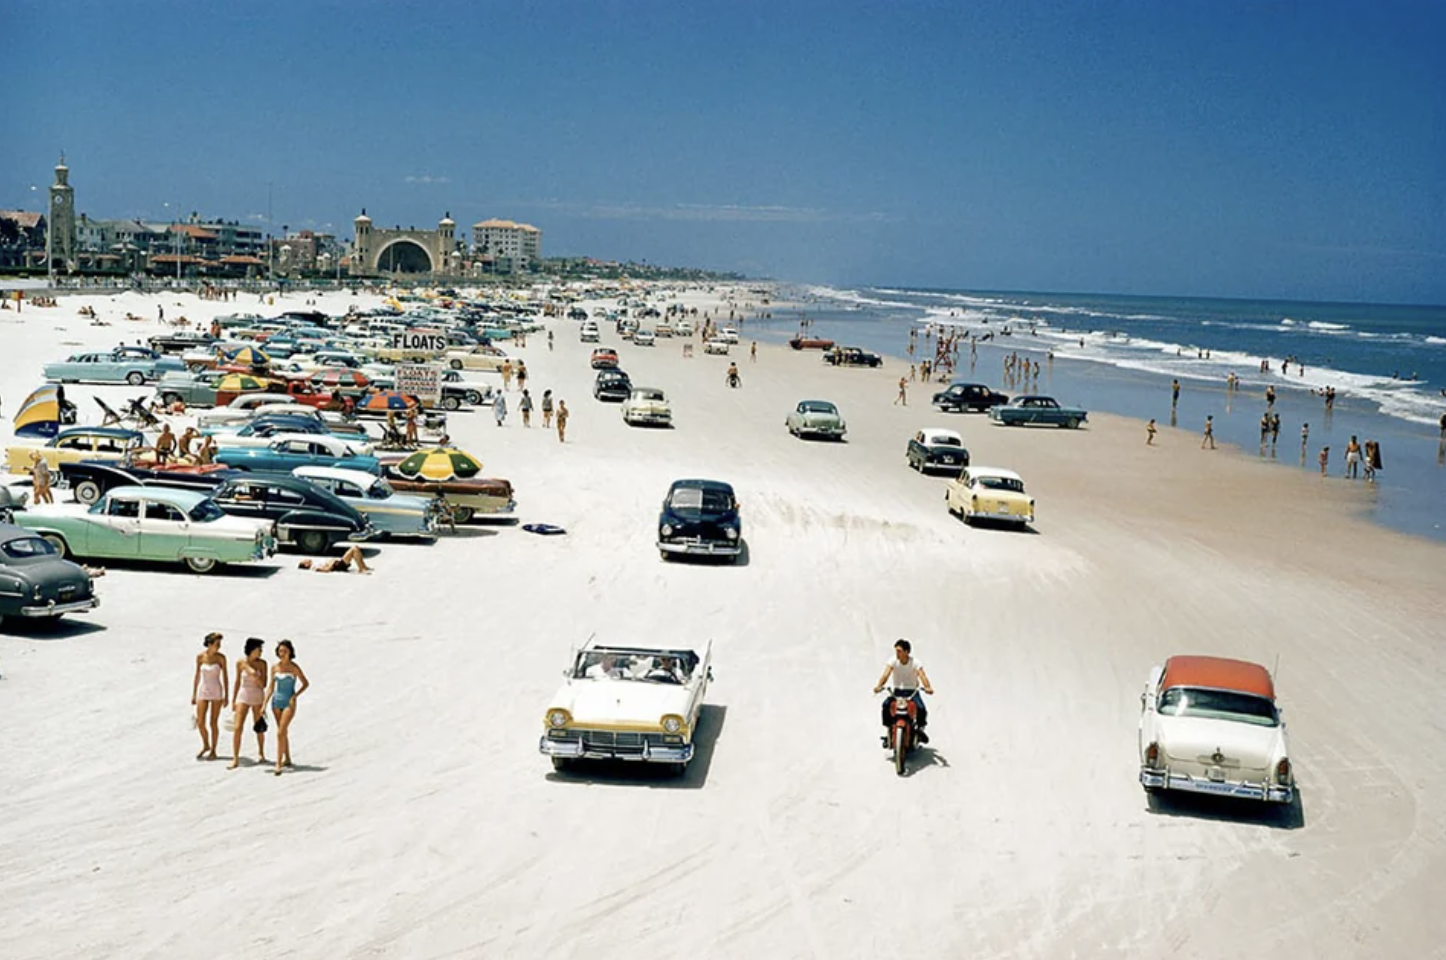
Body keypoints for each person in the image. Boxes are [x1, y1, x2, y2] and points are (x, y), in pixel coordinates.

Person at [873, 639, 934, 743]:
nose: (897, 653)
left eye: (899, 651)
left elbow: (922, 676)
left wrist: (928, 687)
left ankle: (920, 730)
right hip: (897, 692)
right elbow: (885, 674)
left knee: (921, 708)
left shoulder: (915, 663)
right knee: (886, 705)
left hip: (912, 692)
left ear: (907, 652)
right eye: (896, 651)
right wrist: (879, 686)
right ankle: (889, 730)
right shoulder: (893, 661)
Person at [265, 640, 309, 776]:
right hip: (276, 702)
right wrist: (264, 704)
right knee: (282, 731)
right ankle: (287, 758)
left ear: (290, 652)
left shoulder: (294, 667)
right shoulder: (274, 668)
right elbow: (271, 687)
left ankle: (278, 764)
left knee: (280, 732)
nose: (282, 654)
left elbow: (305, 683)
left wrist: (295, 695)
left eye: (284, 651)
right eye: (280, 651)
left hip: (289, 701)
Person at [228, 638, 269, 769]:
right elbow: (237, 682)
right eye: (259, 649)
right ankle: (235, 757)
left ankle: (261, 753)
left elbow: (264, 684)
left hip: (257, 695)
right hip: (243, 695)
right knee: (238, 727)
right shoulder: (240, 662)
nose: (261, 652)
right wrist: (233, 700)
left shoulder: (262, 664)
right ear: (252, 650)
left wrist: (254, 675)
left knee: (259, 727)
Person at [191, 632, 228, 761]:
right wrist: (194, 693)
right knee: (200, 722)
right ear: (210, 644)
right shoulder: (200, 657)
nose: (219, 646)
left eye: (219, 644)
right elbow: (197, 676)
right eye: (217, 644)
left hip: (216, 690)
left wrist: (226, 695)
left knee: (213, 722)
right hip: (203, 690)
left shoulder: (221, 658)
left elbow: (225, 677)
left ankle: (213, 749)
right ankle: (206, 744)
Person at [298, 544, 371, 573]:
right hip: (337, 565)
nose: (306, 559)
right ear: (306, 565)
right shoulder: (314, 567)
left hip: (337, 563)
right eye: (304, 561)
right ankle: (361, 569)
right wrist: (332, 563)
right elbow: (325, 569)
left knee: (356, 548)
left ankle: (364, 567)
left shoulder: (314, 564)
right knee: (354, 549)